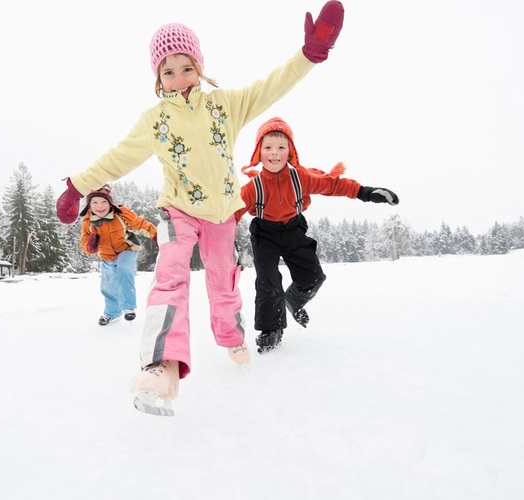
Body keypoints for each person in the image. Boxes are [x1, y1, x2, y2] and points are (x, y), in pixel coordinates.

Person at [55, 1, 346, 416]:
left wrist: (308, 56)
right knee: (170, 276)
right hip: (178, 210)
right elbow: (118, 157)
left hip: (222, 214)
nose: (178, 78)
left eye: (185, 67)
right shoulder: (155, 121)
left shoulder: (224, 105)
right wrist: (77, 185)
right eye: (167, 71)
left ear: (200, 65)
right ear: (157, 77)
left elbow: (270, 87)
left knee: (222, 285)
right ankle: (160, 365)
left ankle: (231, 336)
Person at [236, 116, 399, 353]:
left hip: (294, 230)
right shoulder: (253, 187)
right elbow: (231, 213)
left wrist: (366, 192)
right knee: (268, 280)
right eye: (268, 147)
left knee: (313, 277)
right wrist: (223, 240)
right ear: (258, 153)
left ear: (290, 152)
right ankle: (271, 330)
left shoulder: (301, 178)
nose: (274, 153)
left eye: (281, 147)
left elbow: (332, 184)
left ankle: (293, 300)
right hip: (265, 234)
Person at [78, 184, 157, 326]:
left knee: (124, 270)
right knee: (107, 286)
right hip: (107, 256)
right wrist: (89, 246)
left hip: (127, 250)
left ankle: (128, 307)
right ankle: (112, 313)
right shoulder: (88, 221)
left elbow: (139, 224)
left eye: (103, 202)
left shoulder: (121, 213)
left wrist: (156, 234)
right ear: (89, 205)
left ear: (110, 203)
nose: (100, 206)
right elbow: (84, 242)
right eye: (95, 202)